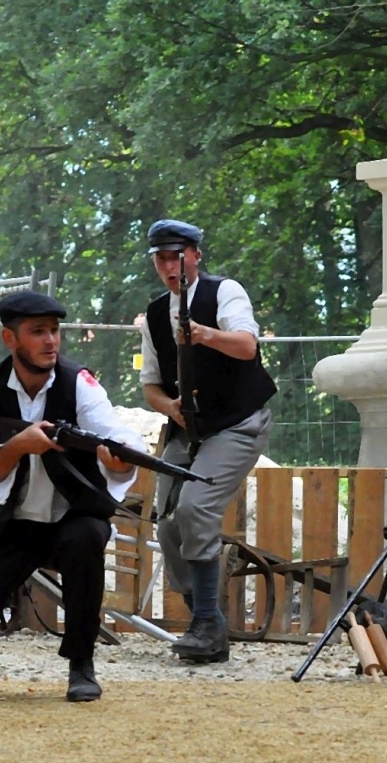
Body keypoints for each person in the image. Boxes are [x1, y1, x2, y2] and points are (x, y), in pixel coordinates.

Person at [0, 291, 142, 703]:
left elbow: (119, 441)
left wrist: (119, 460)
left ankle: (81, 664)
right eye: (38, 332)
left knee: (88, 537)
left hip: (73, 516)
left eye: (54, 331)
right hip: (11, 520)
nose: (51, 341)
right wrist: (19, 445)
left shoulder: (79, 383)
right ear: (9, 338)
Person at [138, 219, 276, 663]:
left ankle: (205, 624)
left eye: (176, 256)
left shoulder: (225, 292)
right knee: (168, 522)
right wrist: (170, 408)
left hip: (238, 421)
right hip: (188, 426)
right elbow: (151, 388)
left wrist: (201, 333)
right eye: (160, 258)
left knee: (195, 509)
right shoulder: (156, 313)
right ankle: (208, 620)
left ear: (195, 254)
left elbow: (246, 346)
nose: (168, 266)